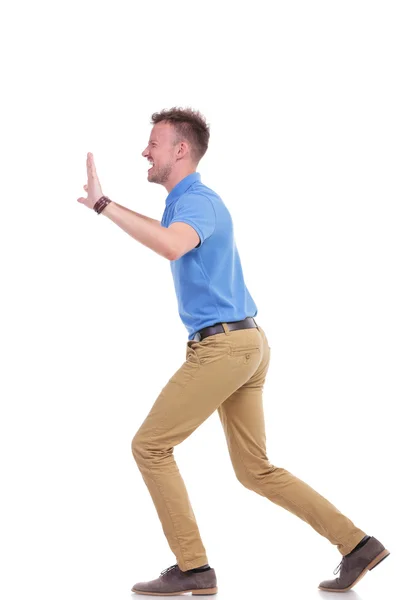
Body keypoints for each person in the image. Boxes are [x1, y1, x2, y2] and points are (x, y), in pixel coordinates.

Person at [77, 107, 390, 595]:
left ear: (181, 150)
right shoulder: (183, 202)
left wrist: (104, 206)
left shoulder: (197, 201)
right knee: (255, 470)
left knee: (150, 446)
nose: (145, 150)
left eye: (153, 143)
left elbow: (172, 247)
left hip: (224, 348)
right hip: (244, 343)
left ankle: (193, 567)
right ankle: (357, 545)